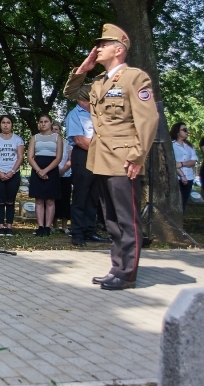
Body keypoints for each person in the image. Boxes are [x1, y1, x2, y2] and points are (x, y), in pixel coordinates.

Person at [64, 23, 159, 290]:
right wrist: (83, 69)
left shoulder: (135, 78)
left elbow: (148, 119)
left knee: (127, 219)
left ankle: (128, 273)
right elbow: (70, 92)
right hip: (101, 159)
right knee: (111, 220)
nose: (98, 48)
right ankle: (117, 267)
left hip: (124, 159)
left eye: (103, 44)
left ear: (119, 49)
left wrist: (138, 156)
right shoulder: (97, 83)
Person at [63, 85, 108, 246]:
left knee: (93, 196)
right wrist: (103, 148)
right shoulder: (74, 115)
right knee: (80, 196)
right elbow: (80, 140)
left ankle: (90, 230)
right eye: (89, 100)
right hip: (83, 156)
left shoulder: (97, 113)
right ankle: (77, 233)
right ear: (80, 100)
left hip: (99, 157)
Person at [26, 115, 63, 237]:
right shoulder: (34, 138)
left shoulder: (57, 137)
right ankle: (40, 226)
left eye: (46, 121)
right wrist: (39, 171)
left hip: (51, 169)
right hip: (37, 168)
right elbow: (30, 157)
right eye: (41, 122)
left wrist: (46, 170)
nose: (43, 124)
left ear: (51, 123)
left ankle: (48, 227)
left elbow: (58, 157)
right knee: (39, 199)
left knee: (50, 200)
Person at [0, 115, 24, 237]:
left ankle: (9, 227)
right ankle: (0, 227)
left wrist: (12, 171)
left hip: (13, 174)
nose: (5, 125)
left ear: (12, 124)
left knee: (10, 201)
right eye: (3, 122)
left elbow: (20, 157)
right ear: (0, 124)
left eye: (8, 122)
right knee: (0, 201)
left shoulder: (18, 139)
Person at [171, 122, 197, 212]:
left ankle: (181, 222)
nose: (187, 132)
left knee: (183, 202)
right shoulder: (171, 145)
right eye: (184, 130)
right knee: (175, 203)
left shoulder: (190, 146)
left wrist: (182, 164)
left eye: (187, 130)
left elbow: (193, 161)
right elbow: (172, 163)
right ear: (177, 132)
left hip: (189, 178)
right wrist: (182, 176)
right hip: (175, 178)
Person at [52, 122, 72, 235]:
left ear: (60, 131)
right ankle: (55, 225)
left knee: (65, 200)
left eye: (57, 129)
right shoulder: (49, 144)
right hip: (52, 176)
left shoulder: (67, 143)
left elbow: (70, 159)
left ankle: (65, 226)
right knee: (53, 201)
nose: (55, 131)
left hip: (65, 176)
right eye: (53, 129)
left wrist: (63, 171)